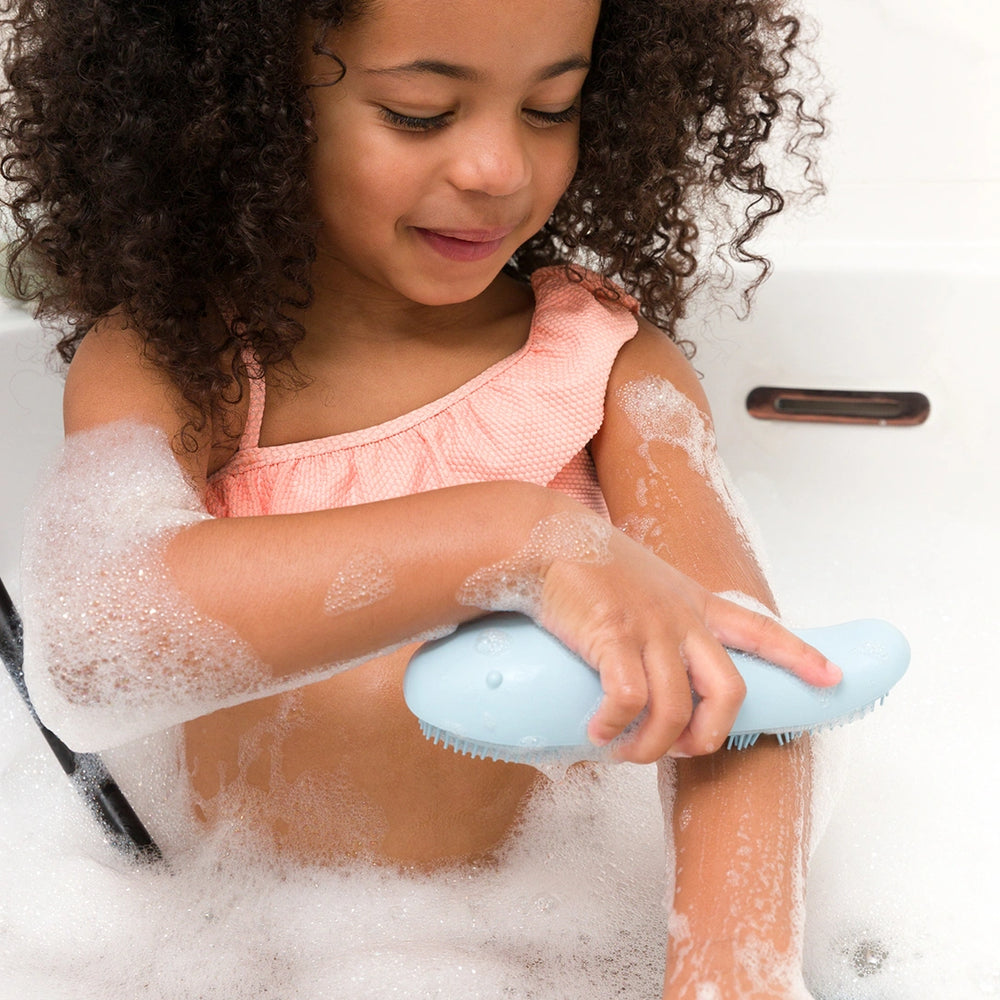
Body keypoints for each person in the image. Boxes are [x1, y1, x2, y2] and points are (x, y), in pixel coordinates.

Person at [1, 1, 833, 996]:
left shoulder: (607, 369)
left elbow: (749, 691)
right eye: (420, 114)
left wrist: (730, 970)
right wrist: (519, 539)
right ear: (253, 111)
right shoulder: (185, 365)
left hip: (561, 948)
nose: (498, 169)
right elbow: (97, 641)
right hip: (239, 952)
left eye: (551, 108)